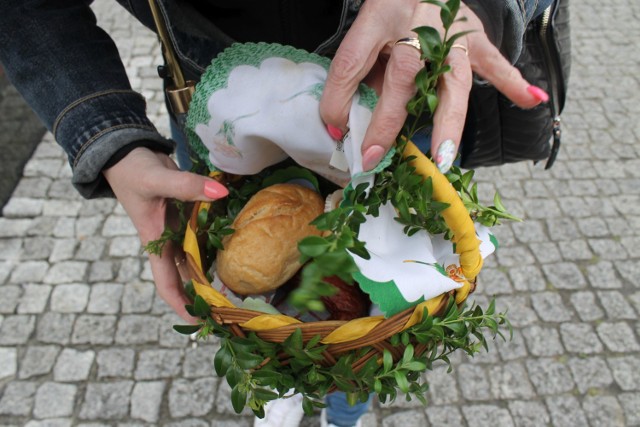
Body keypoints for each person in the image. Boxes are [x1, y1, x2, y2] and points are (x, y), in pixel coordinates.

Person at [0, 1, 553, 426]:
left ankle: (345, 408)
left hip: (394, 87)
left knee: (373, 321)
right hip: (222, 105)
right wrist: (106, 134)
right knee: (261, 300)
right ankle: (282, 382)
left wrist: (458, 5)